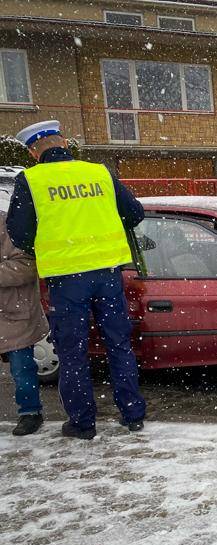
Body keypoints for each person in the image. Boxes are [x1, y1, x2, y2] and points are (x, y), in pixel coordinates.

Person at [6, 120, 147, 440]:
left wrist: (54, 243)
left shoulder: (31, 179)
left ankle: (83, 423)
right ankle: (133, 414)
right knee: (118, 345)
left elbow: (20, 234)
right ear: (65, 144)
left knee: (73, 352)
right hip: (108, 273)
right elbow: (134, 213)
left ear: (33, 151)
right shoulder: (99, 172)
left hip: (67, 280)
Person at [0, 198, 49, 436]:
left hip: (13, 313)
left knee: (22, 369)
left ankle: (30, 413)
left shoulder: (9, 228)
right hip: (10, 311)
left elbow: (28, 267)